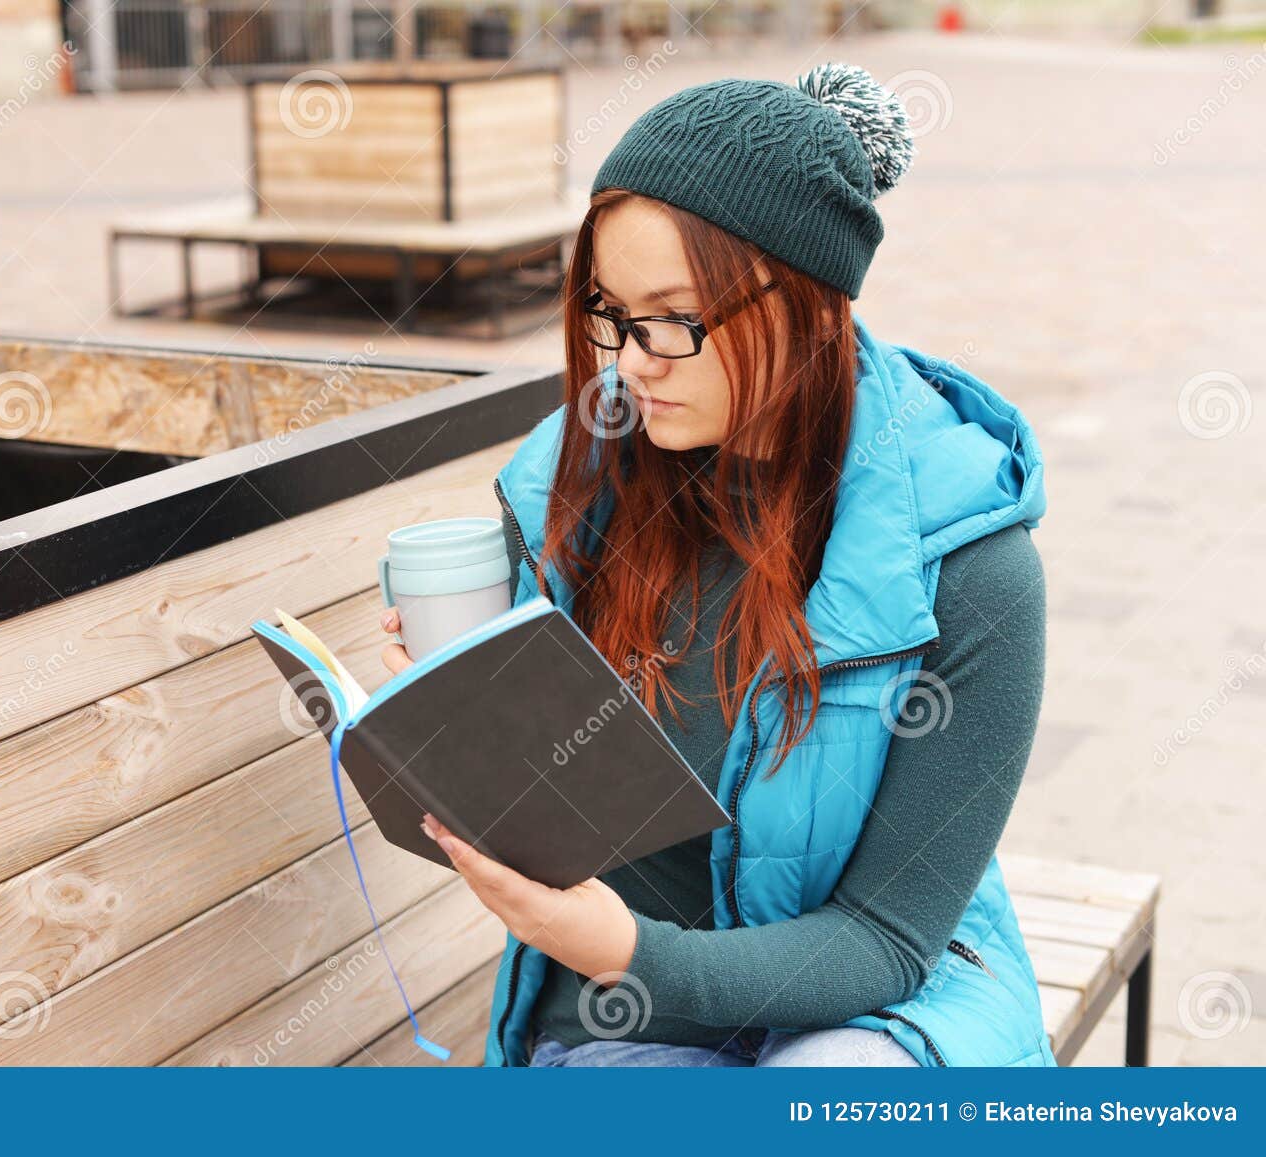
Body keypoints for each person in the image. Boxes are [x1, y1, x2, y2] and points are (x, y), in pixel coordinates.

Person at [379, 63, 1052, 1067]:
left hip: (868, 1007)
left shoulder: (965, 564)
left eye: (673, 317)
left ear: (810, 303)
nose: (629, 361)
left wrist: (629, 950)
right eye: (606, 311)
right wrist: (455, 715)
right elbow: (557, 821)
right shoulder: (579, 499)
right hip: (626, 1024)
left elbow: (888, 935)